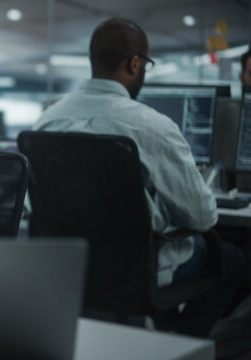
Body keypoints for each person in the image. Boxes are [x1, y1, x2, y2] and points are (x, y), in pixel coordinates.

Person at [34, 18, 244, 337]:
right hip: (140, 272)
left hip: (72, 267)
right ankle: (180, 344)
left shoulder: (45, 123)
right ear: (135, 63)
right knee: (232, 259)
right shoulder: (152, 126)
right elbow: (202, 218)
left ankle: (161, 335)